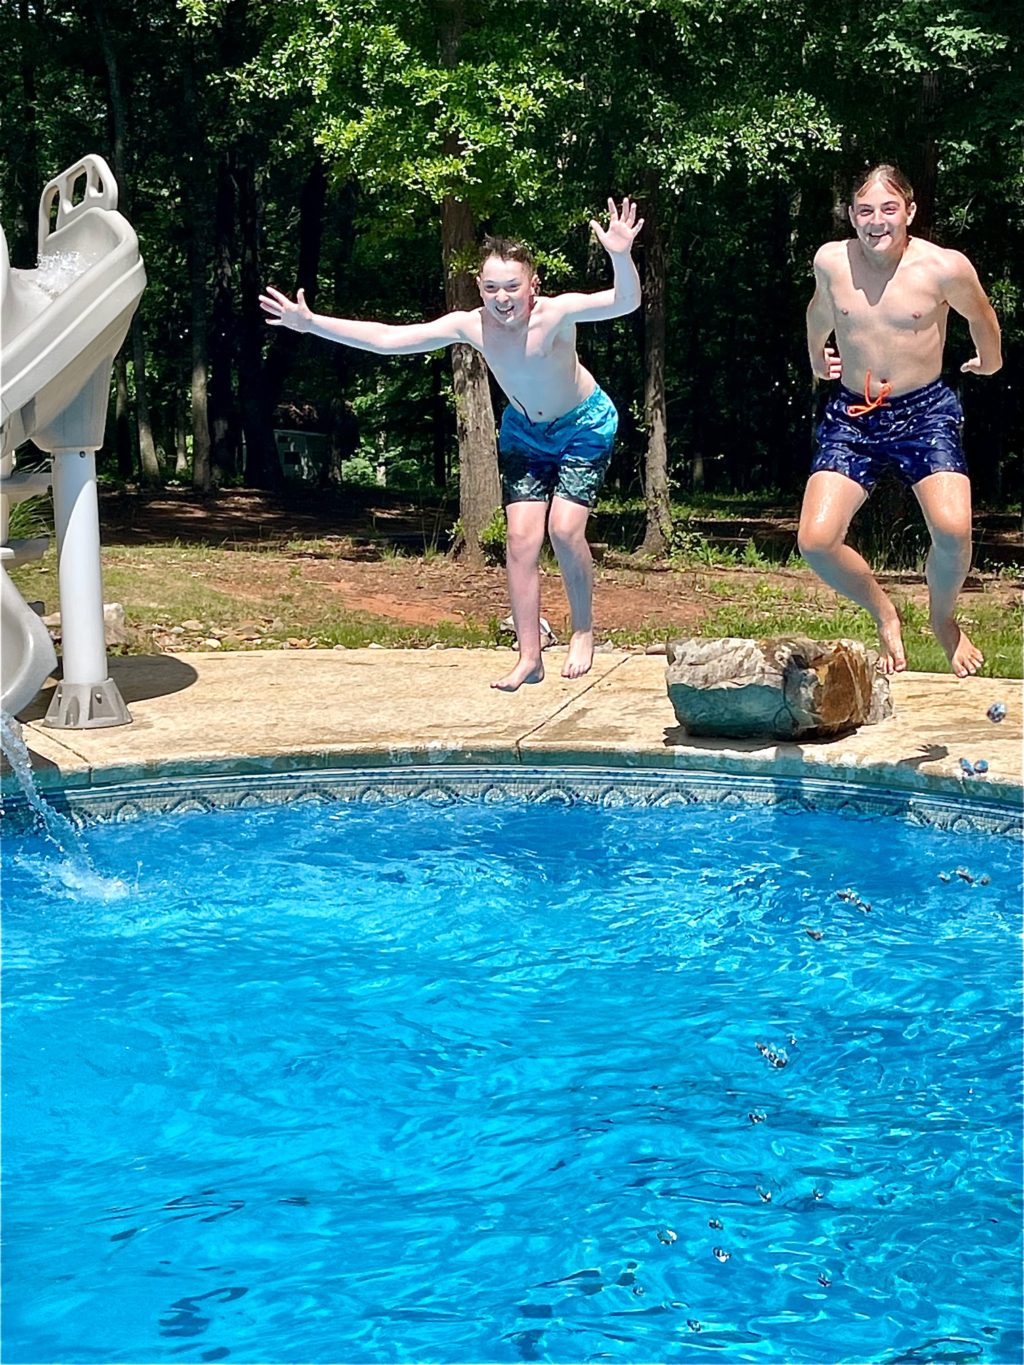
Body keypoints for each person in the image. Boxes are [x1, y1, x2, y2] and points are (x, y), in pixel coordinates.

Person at [260, 198, 643, 691]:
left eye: (512, 287)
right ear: (479, 290)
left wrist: (619, 253)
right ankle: (530, 655)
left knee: (565, 530)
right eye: (490, 288)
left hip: (583, 424)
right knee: (521, 539)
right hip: (526, 430)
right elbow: (389, 338)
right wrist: (312, 323)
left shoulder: (557, 313)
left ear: (533, 286)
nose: (502, 298)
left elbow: (623, 302)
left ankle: (584, 630)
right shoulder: (471, 325)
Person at [798, 164, 1002, 677]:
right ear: (851, 215)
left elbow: (981, 313)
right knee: (816, 542)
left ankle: (942, 617)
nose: (876, 221)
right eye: (865, 210)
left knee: (954, 531)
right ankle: (883, 612)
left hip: (924, 412)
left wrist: (990, 358)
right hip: (853, 414)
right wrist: (818, 357)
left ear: (909, 212)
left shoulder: (943, 267)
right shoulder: (831, 260)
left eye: (889, 209)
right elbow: (820, 312)